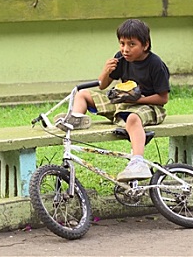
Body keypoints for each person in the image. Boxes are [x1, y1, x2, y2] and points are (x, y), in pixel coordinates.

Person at [58, 19, 170, 181]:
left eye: (132, 44)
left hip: (150, 106)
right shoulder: (121, 59)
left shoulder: (155, 64)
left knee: (132, 118)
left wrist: (136, 101)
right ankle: (76, 119)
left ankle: (138, 162)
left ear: (145, 45)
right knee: (82, 94)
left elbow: (163, 98)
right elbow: (103, 85)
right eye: (122, 43)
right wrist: (105, 71)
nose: (125, 49)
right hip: (122, 102)